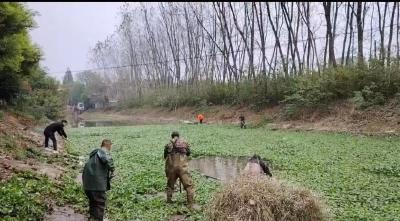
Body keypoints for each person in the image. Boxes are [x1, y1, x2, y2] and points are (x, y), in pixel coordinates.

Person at [82, 139, 115, 221]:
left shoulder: (94, 154)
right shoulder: (103, 151)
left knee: (93, 202)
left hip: (87, 184)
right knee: (100, 203)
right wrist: (113, 169)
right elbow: (108, 160)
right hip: (96, 184)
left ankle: (92, 218)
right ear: (108, 145)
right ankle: (98, 219)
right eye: (111, 146)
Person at [164, 131, 195, 209]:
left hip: (171, 168)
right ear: (178, 136)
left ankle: (169, 201)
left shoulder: (168, 144)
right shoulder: (184, 143)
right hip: (182, 168)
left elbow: (165, 156)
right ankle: (190, 204)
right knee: (188, 186)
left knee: (170, 185)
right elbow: (188, 153)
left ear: (172, 136)